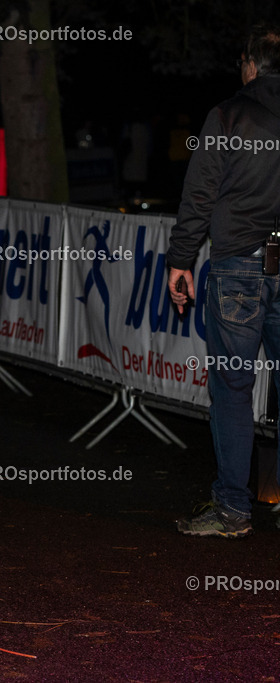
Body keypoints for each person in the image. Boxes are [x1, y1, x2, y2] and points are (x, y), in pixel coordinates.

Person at [170, 22, 280, 538]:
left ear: (250, 65)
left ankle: (234, 509)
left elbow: (200, 195)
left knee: (233, 389)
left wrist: (180, 259)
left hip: (240, 266)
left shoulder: (229, 116)